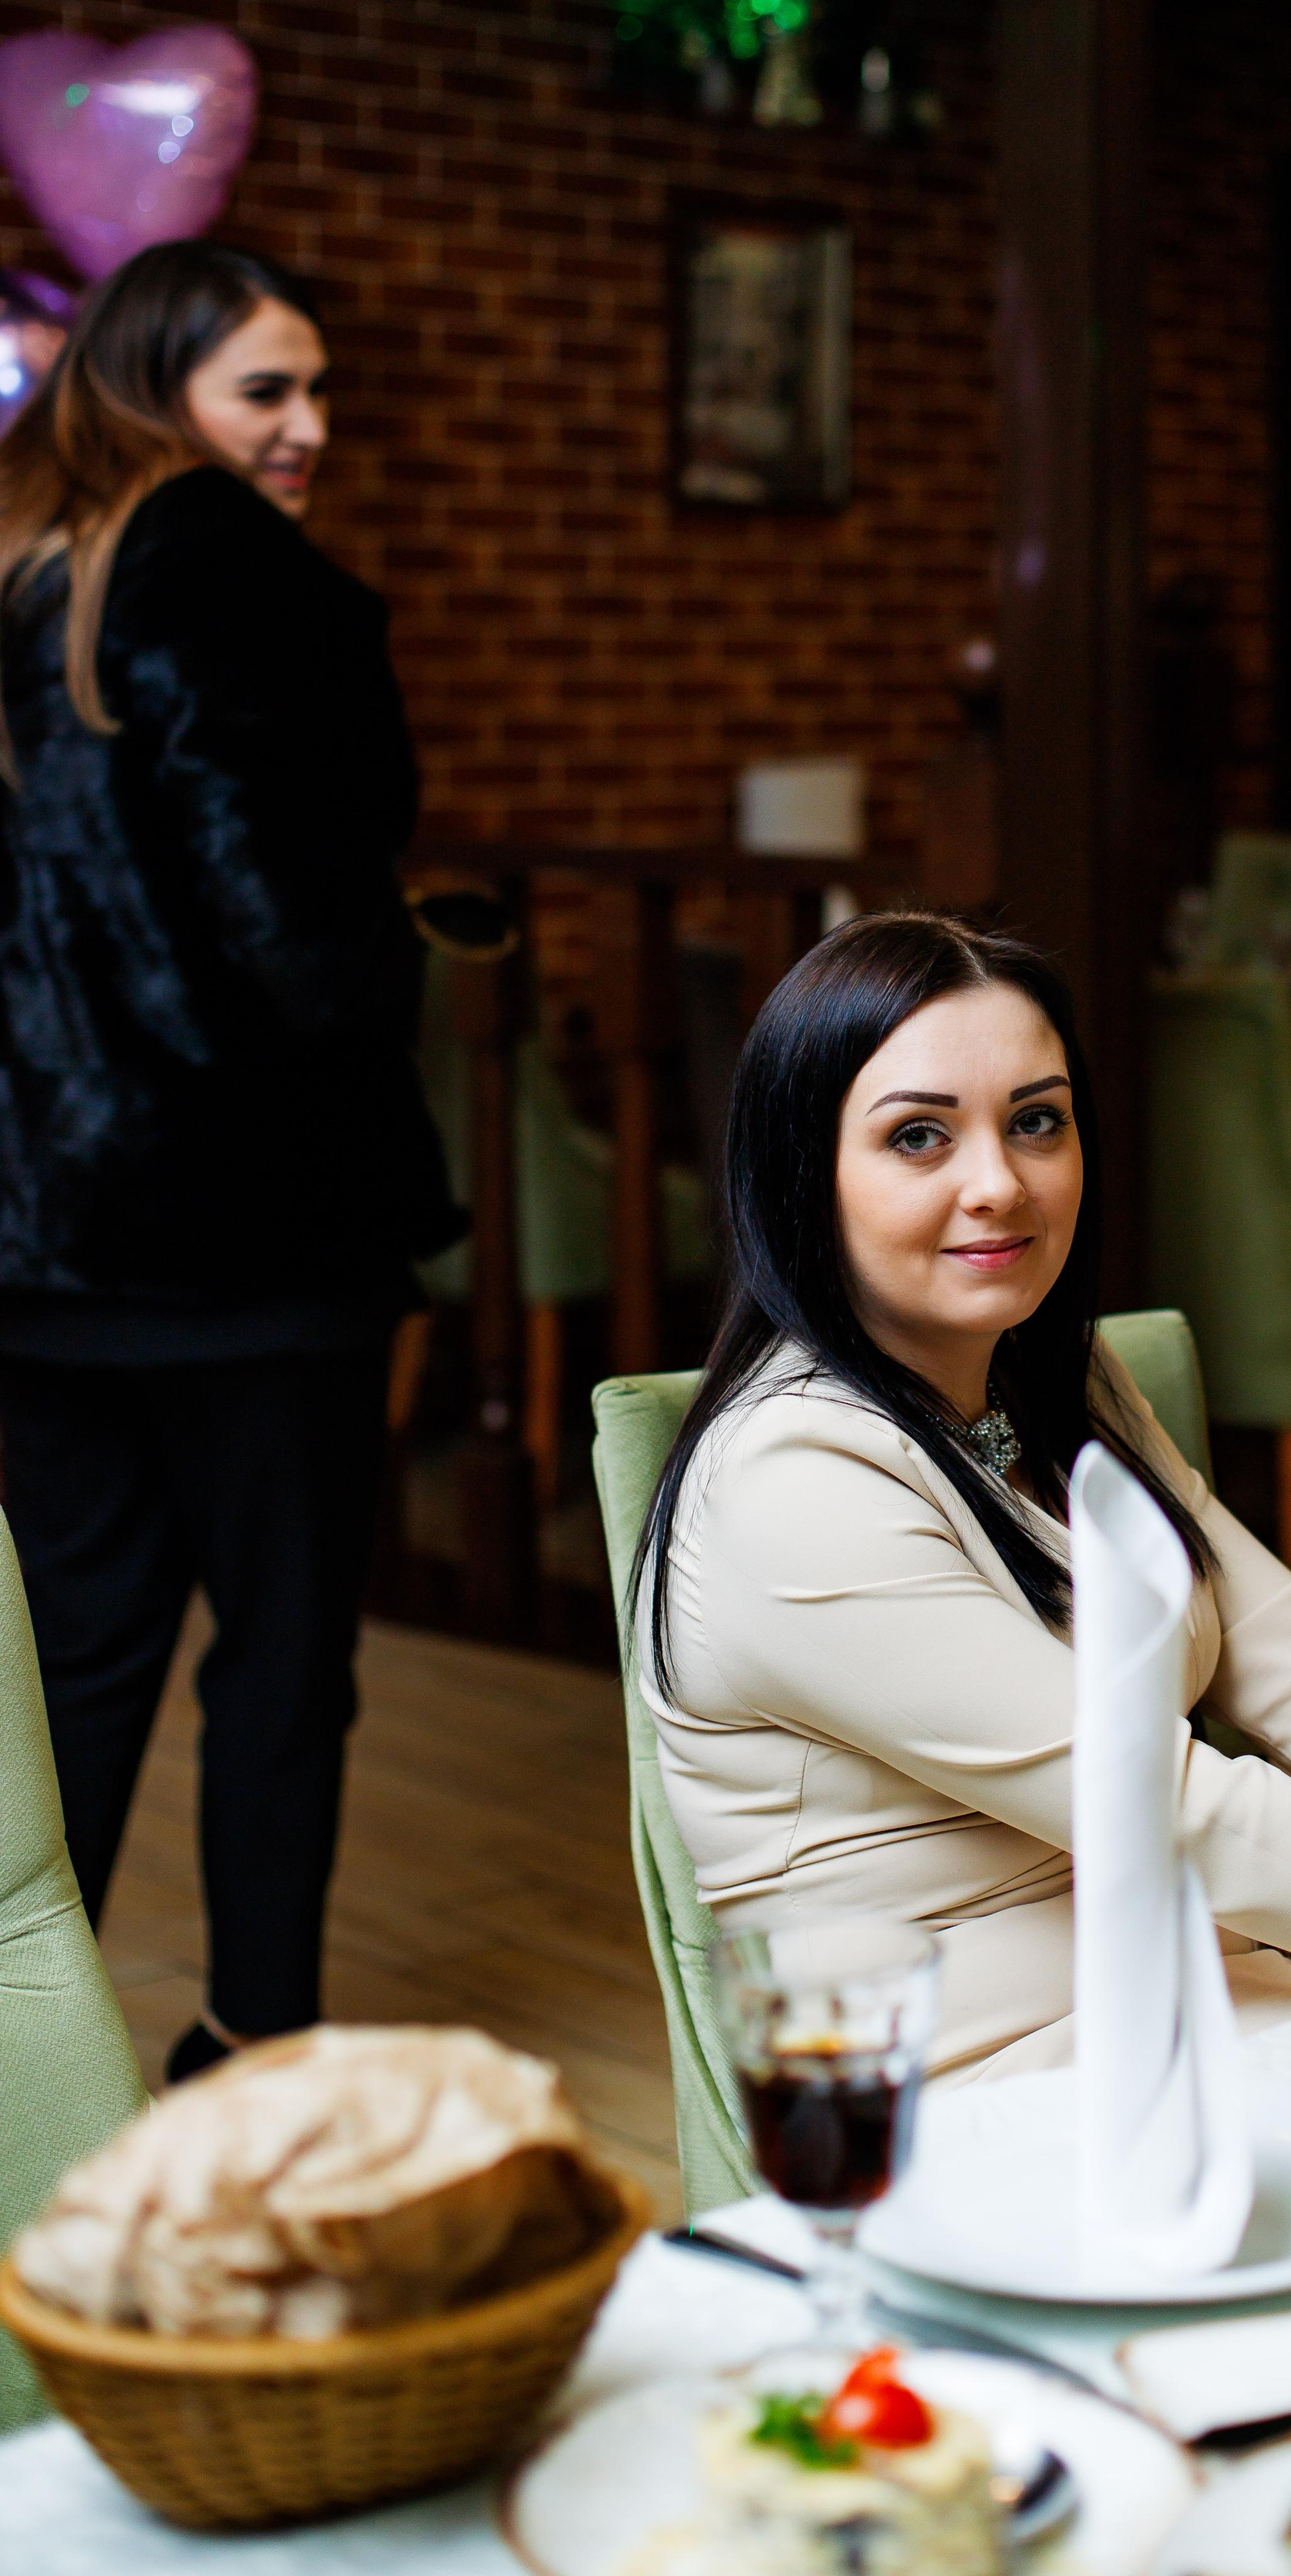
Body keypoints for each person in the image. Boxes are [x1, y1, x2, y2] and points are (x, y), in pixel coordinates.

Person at [639, 911, 1291, 2079]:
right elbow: (1165, 1804)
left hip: (1212, 2000)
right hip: (999, 2096)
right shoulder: (790, 1484)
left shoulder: (1052, 1377)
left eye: (1036, 1122)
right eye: (919, 1138)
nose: (999, 1185)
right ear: (801, 1174)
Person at [0, 242, 463, 2082]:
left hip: (40, 1235)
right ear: (154, 382)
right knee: (280, 1661)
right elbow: (288, 933)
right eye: (267, 389)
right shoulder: (240, 581)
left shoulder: (25, 581)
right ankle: (253, 2039)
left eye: (317, 391)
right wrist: (395, 954)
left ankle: (31, 2068)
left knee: (79, 1663)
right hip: (250, 1232)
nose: (309, 429)